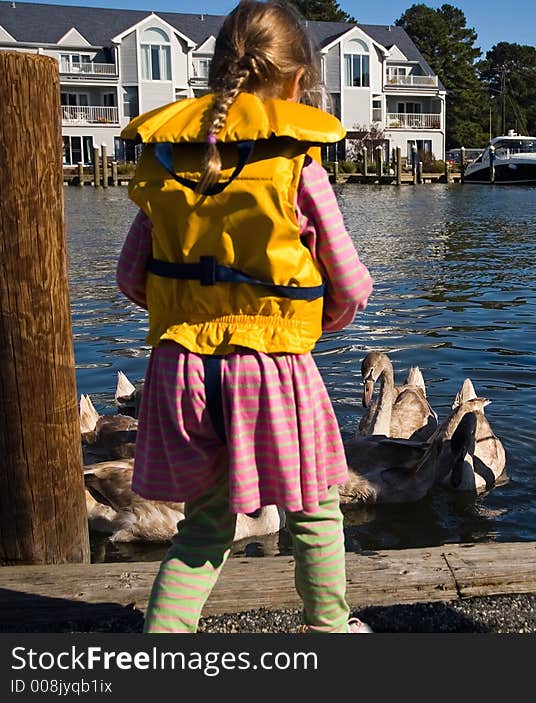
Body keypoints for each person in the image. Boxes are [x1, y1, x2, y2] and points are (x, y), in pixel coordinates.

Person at [115, 0, 373, 634]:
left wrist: (194, 314)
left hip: (182, 371)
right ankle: (330, 629)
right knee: (314, 510)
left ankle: (164, 641)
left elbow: (129, 279)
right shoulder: (296, 167)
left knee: (204, 523)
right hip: (273, 370)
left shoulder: (167, 163)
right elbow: (349, 284)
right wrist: (313, 321)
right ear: (294, 84)